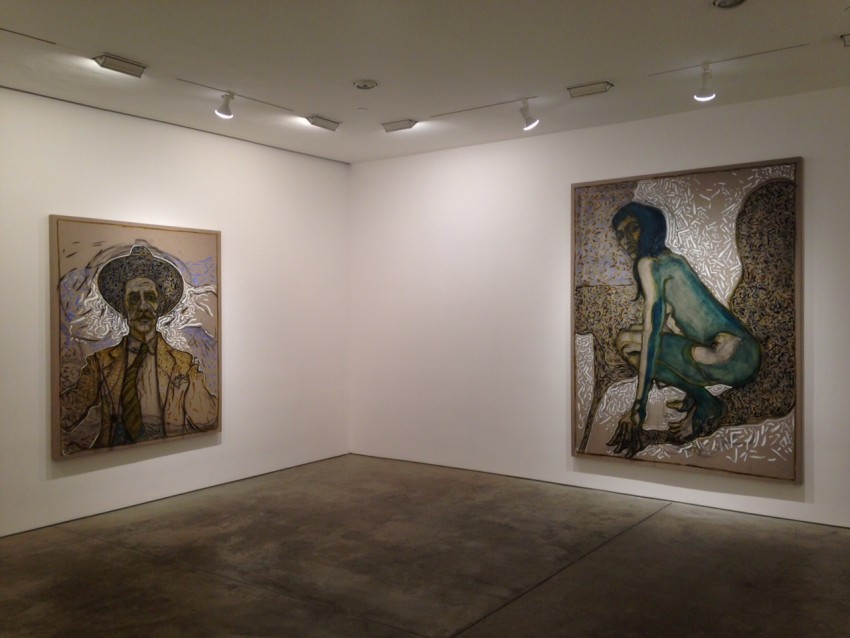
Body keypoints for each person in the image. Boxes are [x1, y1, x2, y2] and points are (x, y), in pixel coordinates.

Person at [607, 202, 761, 458]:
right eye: (620, 234)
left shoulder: (649, 264)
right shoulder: (675, 261)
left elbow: (652, 336)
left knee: (627, 341)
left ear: (651, 227)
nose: (626, 241)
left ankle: (706, 402)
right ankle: (698, 397)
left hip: (727, 358)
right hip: (747, 354)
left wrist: (638, 407)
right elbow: (683, 324)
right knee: (636, 334)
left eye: (633, 229)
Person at [60, 245, 218, 448]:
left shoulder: (183, 364)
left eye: (150, 298)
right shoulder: (101, 362)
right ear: (123, 306)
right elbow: (67, 415)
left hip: (170, 454)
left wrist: (192, 388)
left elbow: (206, 420)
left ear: (160, 305)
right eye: (134, 298)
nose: (143, 307)